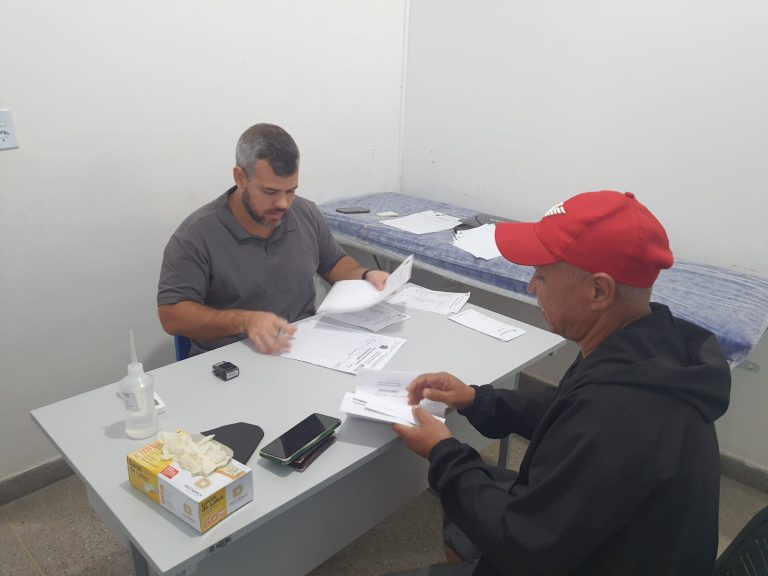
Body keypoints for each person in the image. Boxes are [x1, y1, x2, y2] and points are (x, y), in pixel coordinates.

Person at [391, 190, 731, 576]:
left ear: (599, 291)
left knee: (465, 485)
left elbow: (521, 544)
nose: (530, 287)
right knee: (474, 489)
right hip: (605, 541)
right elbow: (564, 409)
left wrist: (443, 451)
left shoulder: (618, 414)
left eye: (541, 275)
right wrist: (475, 398)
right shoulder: (645, 347)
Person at [157, 123, 388, 356]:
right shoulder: (196, 235)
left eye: (291, 191)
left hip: (304, 349)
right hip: (233, 360)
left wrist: (365, 275)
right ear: (240, 177)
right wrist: (244, 321)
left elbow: (334, 263)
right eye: (270, 192)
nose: (283, 204)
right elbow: (172, 316)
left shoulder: (305, 213)